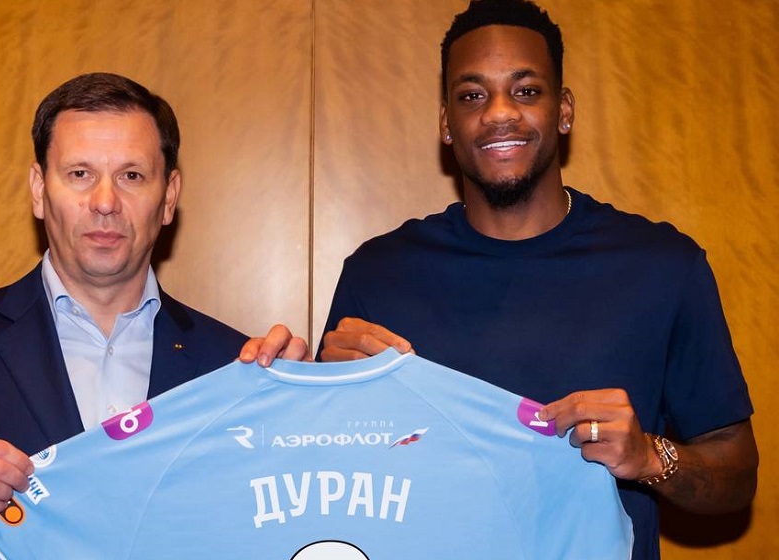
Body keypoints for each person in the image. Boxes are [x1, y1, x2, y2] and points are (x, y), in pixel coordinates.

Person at [316, 1, 758, 559]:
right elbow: (324, 477)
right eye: (472, 96)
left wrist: (650, 457)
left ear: (563, 110)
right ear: (446, 123)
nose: (499, 113)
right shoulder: (378, 274)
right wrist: (324, 400)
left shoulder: (664, 267)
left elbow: (737, 477)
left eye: (526, 90)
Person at [0, 72, 305, 560]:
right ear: (39, 189)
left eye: (132, 176)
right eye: (80, 174)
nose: (105, 202)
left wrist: (295, 414)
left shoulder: (233, 367)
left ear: (169, 197)